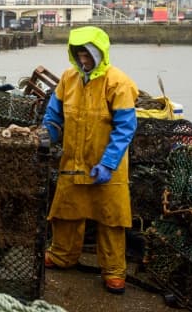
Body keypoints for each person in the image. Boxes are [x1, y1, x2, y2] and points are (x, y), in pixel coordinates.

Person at [41, 26, 138, 295]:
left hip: (108, 166)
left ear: (99, 53)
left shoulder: (118, 82)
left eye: (87, 55)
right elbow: (53, 116)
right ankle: (62, 256)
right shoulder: (67, 79)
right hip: (73, 162)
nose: (83, 61)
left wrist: (108, 163)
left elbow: (125, 127)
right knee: (65, 211)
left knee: (111, 219)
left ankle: (114, 271)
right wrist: (44, 135)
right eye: (79, 55)